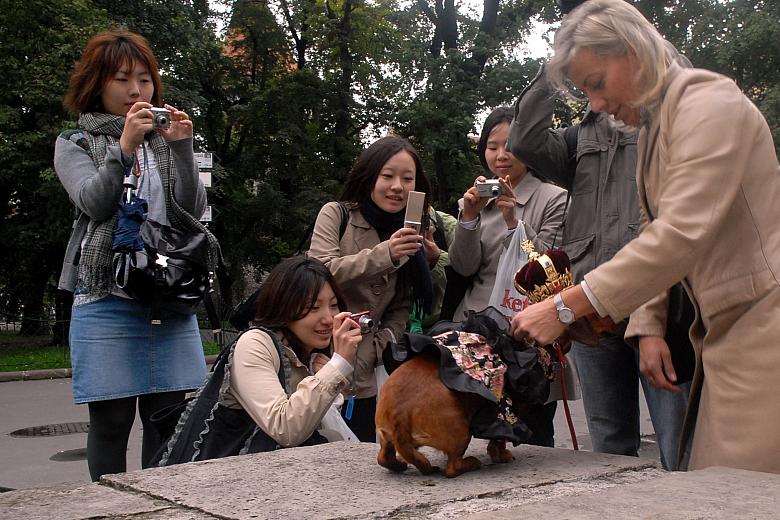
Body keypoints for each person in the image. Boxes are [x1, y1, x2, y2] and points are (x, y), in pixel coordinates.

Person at [510, 0, 780, 474]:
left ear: (633, 49)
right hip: (726, 333)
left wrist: (564, 305)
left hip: (763, 330)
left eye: (596, 84)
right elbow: (654, 231)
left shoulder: (709, 104)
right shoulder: (661, 127)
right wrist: (649, 324)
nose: (594, 103)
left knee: (735, 493)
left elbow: (680, 235)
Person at [507, 57, 689, 469]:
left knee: (679, 444)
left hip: (662, 303)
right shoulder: (577, 140)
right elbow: (524, 141)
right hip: (590, 309)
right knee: (608, 448)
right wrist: (557, 67)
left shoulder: (669, 116)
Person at [55, 30, 210, 480]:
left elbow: (192, 210)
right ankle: (111, 507)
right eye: (122, 79)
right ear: (97, 83)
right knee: (111, 423)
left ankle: (163, 507)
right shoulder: (76, 142)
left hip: (168, 295)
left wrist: (181, 147)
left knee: (169, 422)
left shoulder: (164, 140)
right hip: (107, 296)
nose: (136, 90)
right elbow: (94, 202)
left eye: (144, 79)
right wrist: (123, 148)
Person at [448, 106, 569, 447]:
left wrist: (515, 222)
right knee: (470, 425)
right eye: (492, 145)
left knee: (531, 432)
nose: (501, 156)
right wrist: (469, 219)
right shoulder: (477, 199)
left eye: (511, 146)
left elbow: (551, 267)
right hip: (475, 332)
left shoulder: (554, 198)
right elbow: (464, 267)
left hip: (528, 332)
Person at [308, 135, 433, 441]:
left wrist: (384, 340)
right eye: (387, 176)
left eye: (407, 179)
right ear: (369, 176)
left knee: (365, 448)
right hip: (321, 355)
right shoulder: (337, 214)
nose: (397, 187)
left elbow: (405, 300)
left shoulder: (413, 229)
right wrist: (385, 254)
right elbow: (320, 272)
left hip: (371, 366)